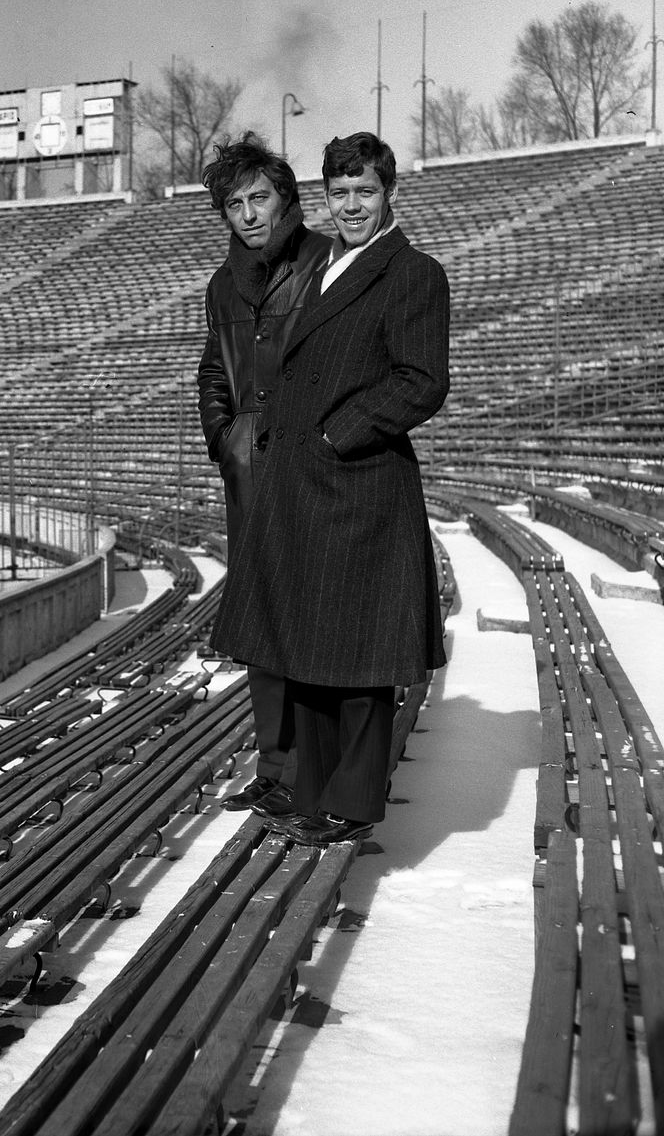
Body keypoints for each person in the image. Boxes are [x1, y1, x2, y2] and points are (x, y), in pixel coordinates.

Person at [208, 131, 450, 845]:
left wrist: (334, 434)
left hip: (361, 485)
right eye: (340, 193)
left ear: (389, 193)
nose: (351, 205)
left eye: (365, 192)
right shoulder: (326, 268)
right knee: (312, 654)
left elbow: (422, 381)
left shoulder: (413, 272)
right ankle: (311, 794)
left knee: (361, 662)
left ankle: (351, 801)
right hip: (305, 489)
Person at [197, 133, 332, 815]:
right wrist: (227, 440)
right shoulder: (224, 283)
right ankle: (274, 767)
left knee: (312, 621)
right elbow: (215, 372)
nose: (248, 214)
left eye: (260, 198)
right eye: (234, 204)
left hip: (309, 469)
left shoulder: (325, 262)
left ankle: (311, 769)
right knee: (262, 626)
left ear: (288, 200)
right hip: (250, 472)